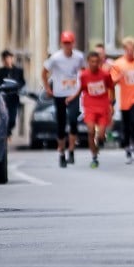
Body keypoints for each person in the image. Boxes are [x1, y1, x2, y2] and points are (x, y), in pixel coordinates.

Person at [41, 31, 85, 168]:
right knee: (61, 124)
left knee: (73, 120)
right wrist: (48, 88)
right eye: (65, 43)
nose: (67, 46)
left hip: (73, 92)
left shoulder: (79, 56)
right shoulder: (55, 58)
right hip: (59, 93)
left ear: (73, 43)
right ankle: (61, 153)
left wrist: (81, 86)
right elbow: (44, 72)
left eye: (69, 43)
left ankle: (71, 150)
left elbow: (83, 71)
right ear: (61, 44)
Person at [68, 51, 115, 168]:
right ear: (88, 62)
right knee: (90, 131)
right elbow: (79, 90)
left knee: (101, 135)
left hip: (103, 106)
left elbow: (111, 88)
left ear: (99, 62)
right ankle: (94, 157)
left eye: (96, 62)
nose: (94, 64)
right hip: (90, 106)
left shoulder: (105, 75)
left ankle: (99, 142)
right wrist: (71, 98)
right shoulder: (84, 75)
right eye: (92, 62)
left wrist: (111, 103)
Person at [110, 37, 134, 163]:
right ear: (124, 50)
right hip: (125, 99)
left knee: (133, 120)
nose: (130, 52)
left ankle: (133, 143)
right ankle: (127, 145)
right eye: (128, 50)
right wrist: (118, 77)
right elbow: (112, 82)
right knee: (126, 124)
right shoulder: (118, 64)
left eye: (132, 50)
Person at [0, 49, 25, 138]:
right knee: (5, 116)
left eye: (9, 58)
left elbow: (22, 81)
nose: (7, 60)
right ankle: (6, 133)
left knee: (12, 118)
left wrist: (18, 86)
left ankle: (8, 131)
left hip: (14, 97)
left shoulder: (18, 70)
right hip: (4, 98)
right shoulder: (1, 71)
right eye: (5, 58)